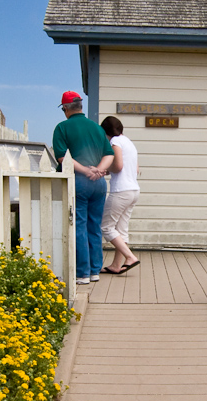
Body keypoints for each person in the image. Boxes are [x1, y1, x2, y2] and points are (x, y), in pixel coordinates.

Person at [52, 91, 114, 284]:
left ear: (65, 109)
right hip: (99, 184)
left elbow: (63, 157)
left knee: (78, 225)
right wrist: (97, 171)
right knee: (94, 225)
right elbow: (109, 154)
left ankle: (82, 273)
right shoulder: (97, 128)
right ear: (80, 107)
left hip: (78, 182)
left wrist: (86, 172)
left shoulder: (62, 128)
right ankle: (95, 270)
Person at [99, 116, 141, 274]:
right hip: (134, 190)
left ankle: (130, 257)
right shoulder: (129, 143)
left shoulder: (114, 142)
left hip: (121, 191)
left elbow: (118, 166)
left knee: (106, 227)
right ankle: (116, 265)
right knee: (121, 229)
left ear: (106, 131)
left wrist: (105, 170)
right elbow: (135, 168)